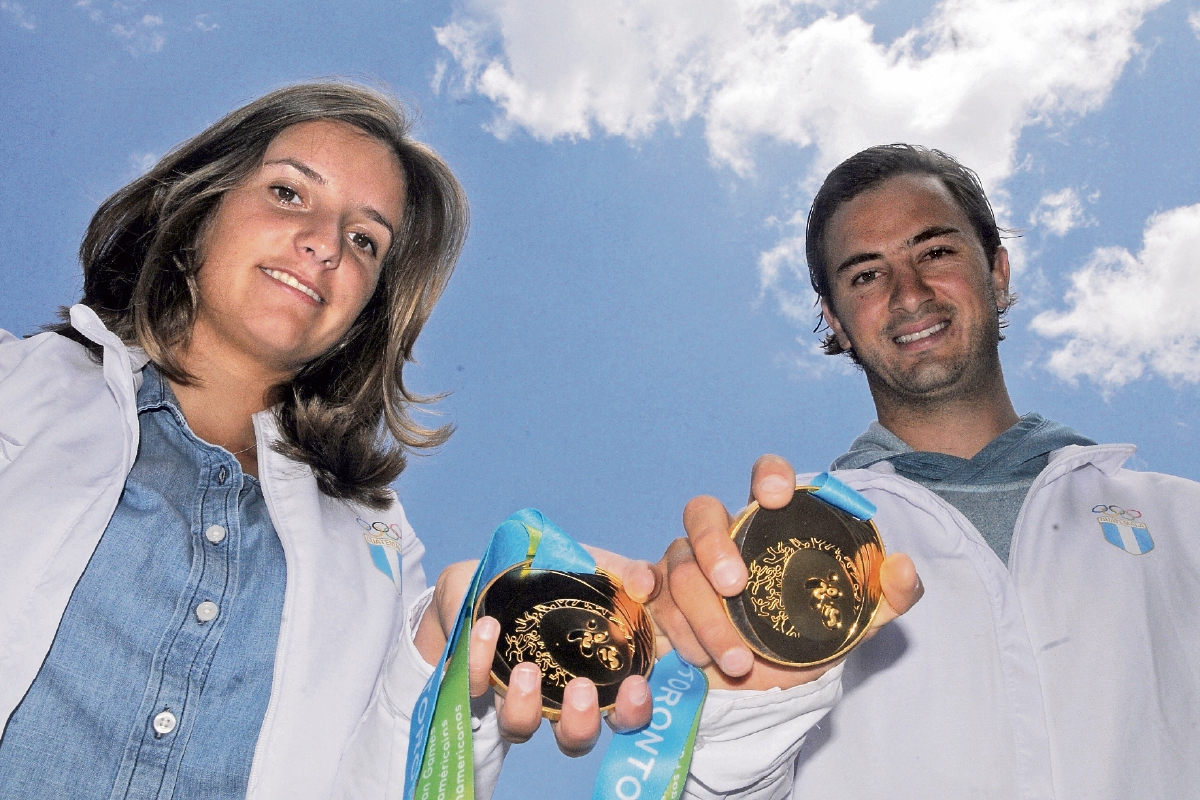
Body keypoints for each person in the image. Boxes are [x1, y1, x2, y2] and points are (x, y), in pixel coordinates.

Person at [0, 81, 656, 799]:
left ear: (366, 310)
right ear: (196, 210)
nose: (324, 245)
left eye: (365, 240)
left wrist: (451, 645)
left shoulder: (378, 543)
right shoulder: (16, 385)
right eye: (288, 193)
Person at [656, 144, 1200, 799]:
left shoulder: (1181, 518)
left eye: (935, 253)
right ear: (837, 322)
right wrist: (733, 731)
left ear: (996, 271)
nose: (909, 294)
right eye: (865, 275)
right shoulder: (774, 560)